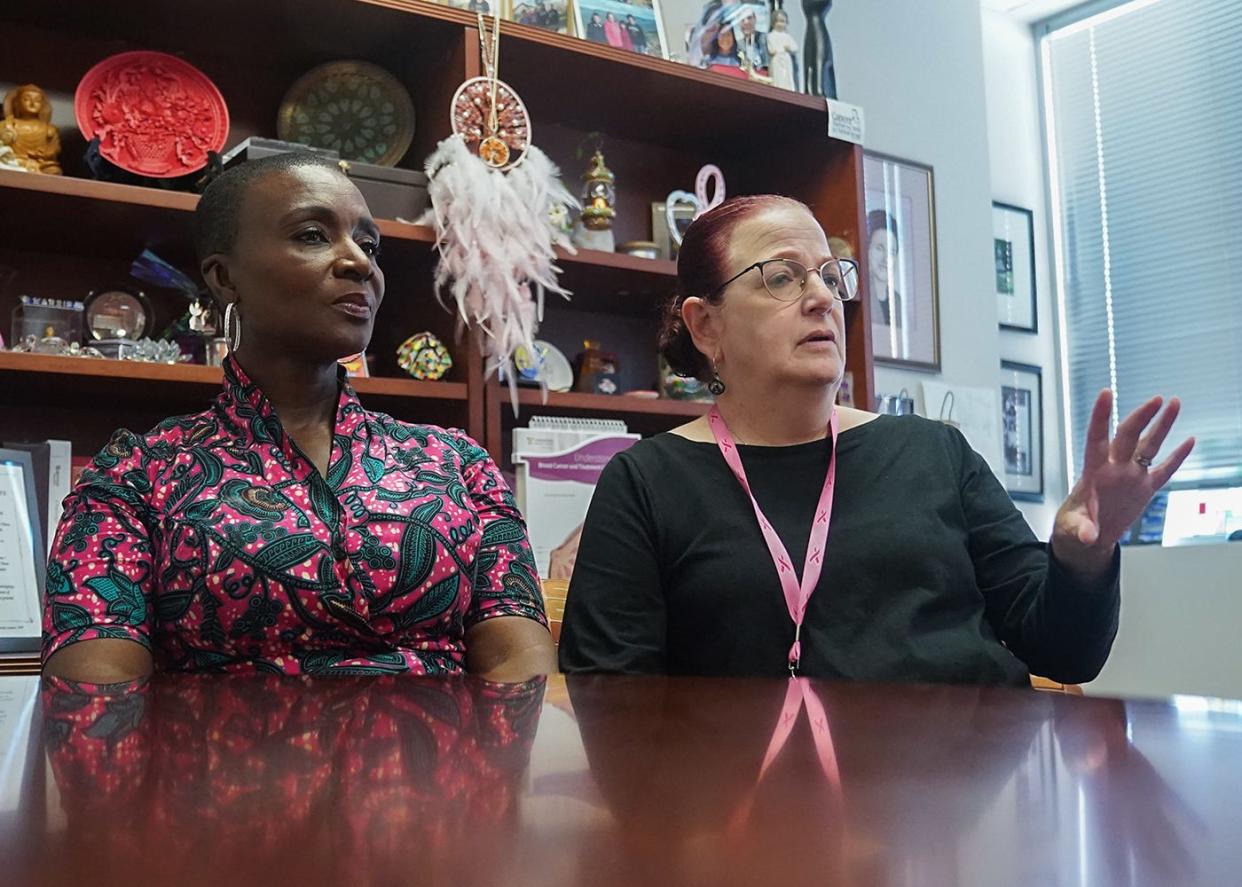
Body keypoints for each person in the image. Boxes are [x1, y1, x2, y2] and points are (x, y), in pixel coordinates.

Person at [559, 194, 1193, 685]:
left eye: (831, 277)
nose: (820, 298)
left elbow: (1064, 653)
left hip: (963, 810)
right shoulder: (647, 483)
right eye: (781, 277)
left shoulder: (936, 455)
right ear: (705, 325)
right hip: (763, 824)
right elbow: (613, 704)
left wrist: (1082, 557)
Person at [41, 153, 555, 683]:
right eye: (312, 235)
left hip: (447, 760)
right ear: (224, 276)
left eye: (369, 245)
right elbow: (96, 695)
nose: (361, 263)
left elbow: (520, 663)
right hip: (219, 762)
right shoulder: (137, 475)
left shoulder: (457, 463)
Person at [1, 84, 62, 174]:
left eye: (37, 100)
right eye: (26, 99)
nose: (32, 103)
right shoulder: (8, 125)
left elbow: (55, 148)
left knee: (54, 170)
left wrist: (47, 153)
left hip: (40, 164)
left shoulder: (49, 129)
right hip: (15, 163)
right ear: (17, 103)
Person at [866, 208, 902, 327]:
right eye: (879, 248)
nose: (886, 259)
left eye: (892, 252)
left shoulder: (897, 301)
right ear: (867, 249)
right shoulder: (862, 296)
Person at [766, 9, 799, 91]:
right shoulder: (771, 35)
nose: (780, 24)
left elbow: (795, 47)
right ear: (773, 22)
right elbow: (771, 49)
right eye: (778, 21)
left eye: (783, 21)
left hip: (786, 59)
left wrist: (789, 48)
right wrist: (776, 51)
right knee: (778, 77)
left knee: (787, 77)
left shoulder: (787, 36)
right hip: (777, 59)